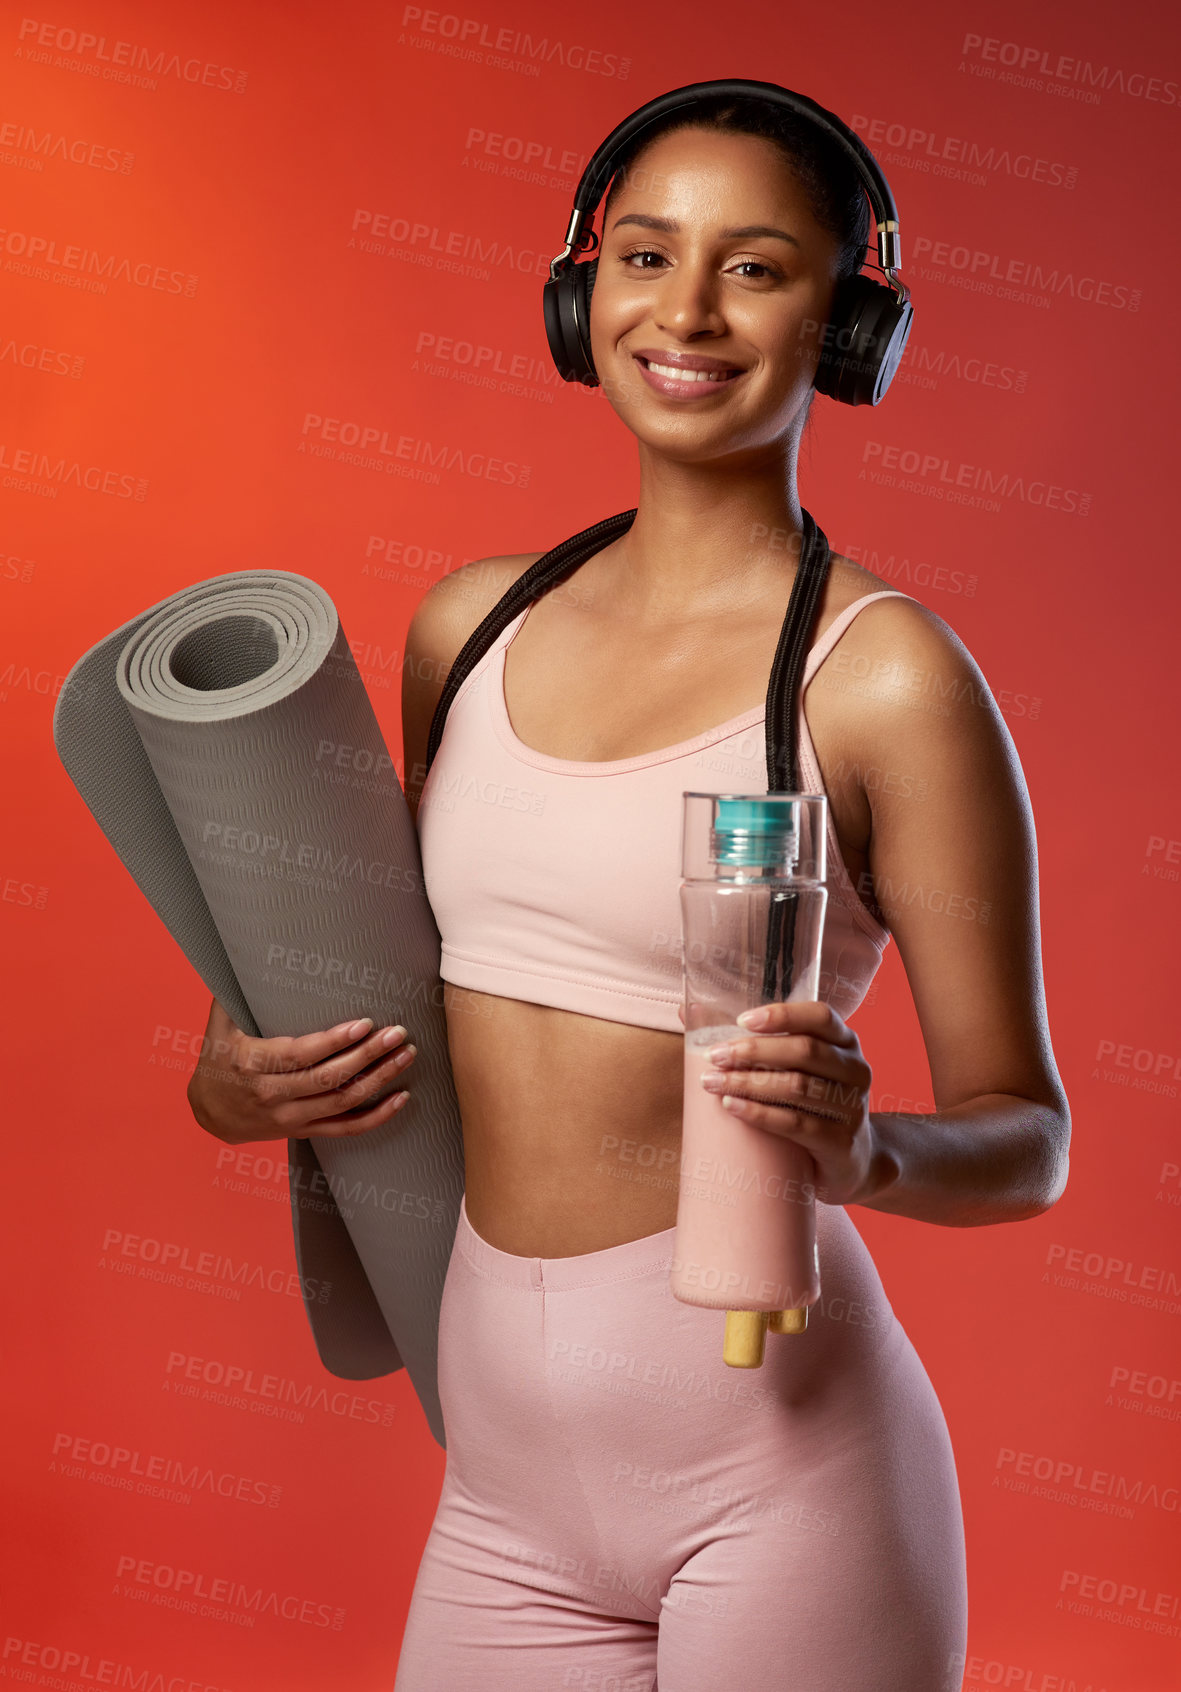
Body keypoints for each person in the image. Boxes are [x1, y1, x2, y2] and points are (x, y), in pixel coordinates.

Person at [187, 90, 1071, 1692]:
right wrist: (235, 1080)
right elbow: (361, 975)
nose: (683, 313)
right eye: (644, 256)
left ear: (848, 323)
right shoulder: (466, 631)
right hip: (507, 1489)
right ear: (576, 296)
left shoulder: (883, 684)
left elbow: (1029, 1140)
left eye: (756, 269)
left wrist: (865, 1152)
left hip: (776, 1472)